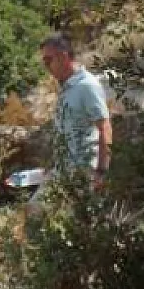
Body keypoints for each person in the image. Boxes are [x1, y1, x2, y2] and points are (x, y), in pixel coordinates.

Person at [40, 32, 111, 187]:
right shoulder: (67, 87)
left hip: (83, 173)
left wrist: (101, 172)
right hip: (63, 171)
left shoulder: (87, 85)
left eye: (48, 60)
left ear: (63, 57)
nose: (46, 67)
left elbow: (104, 127)